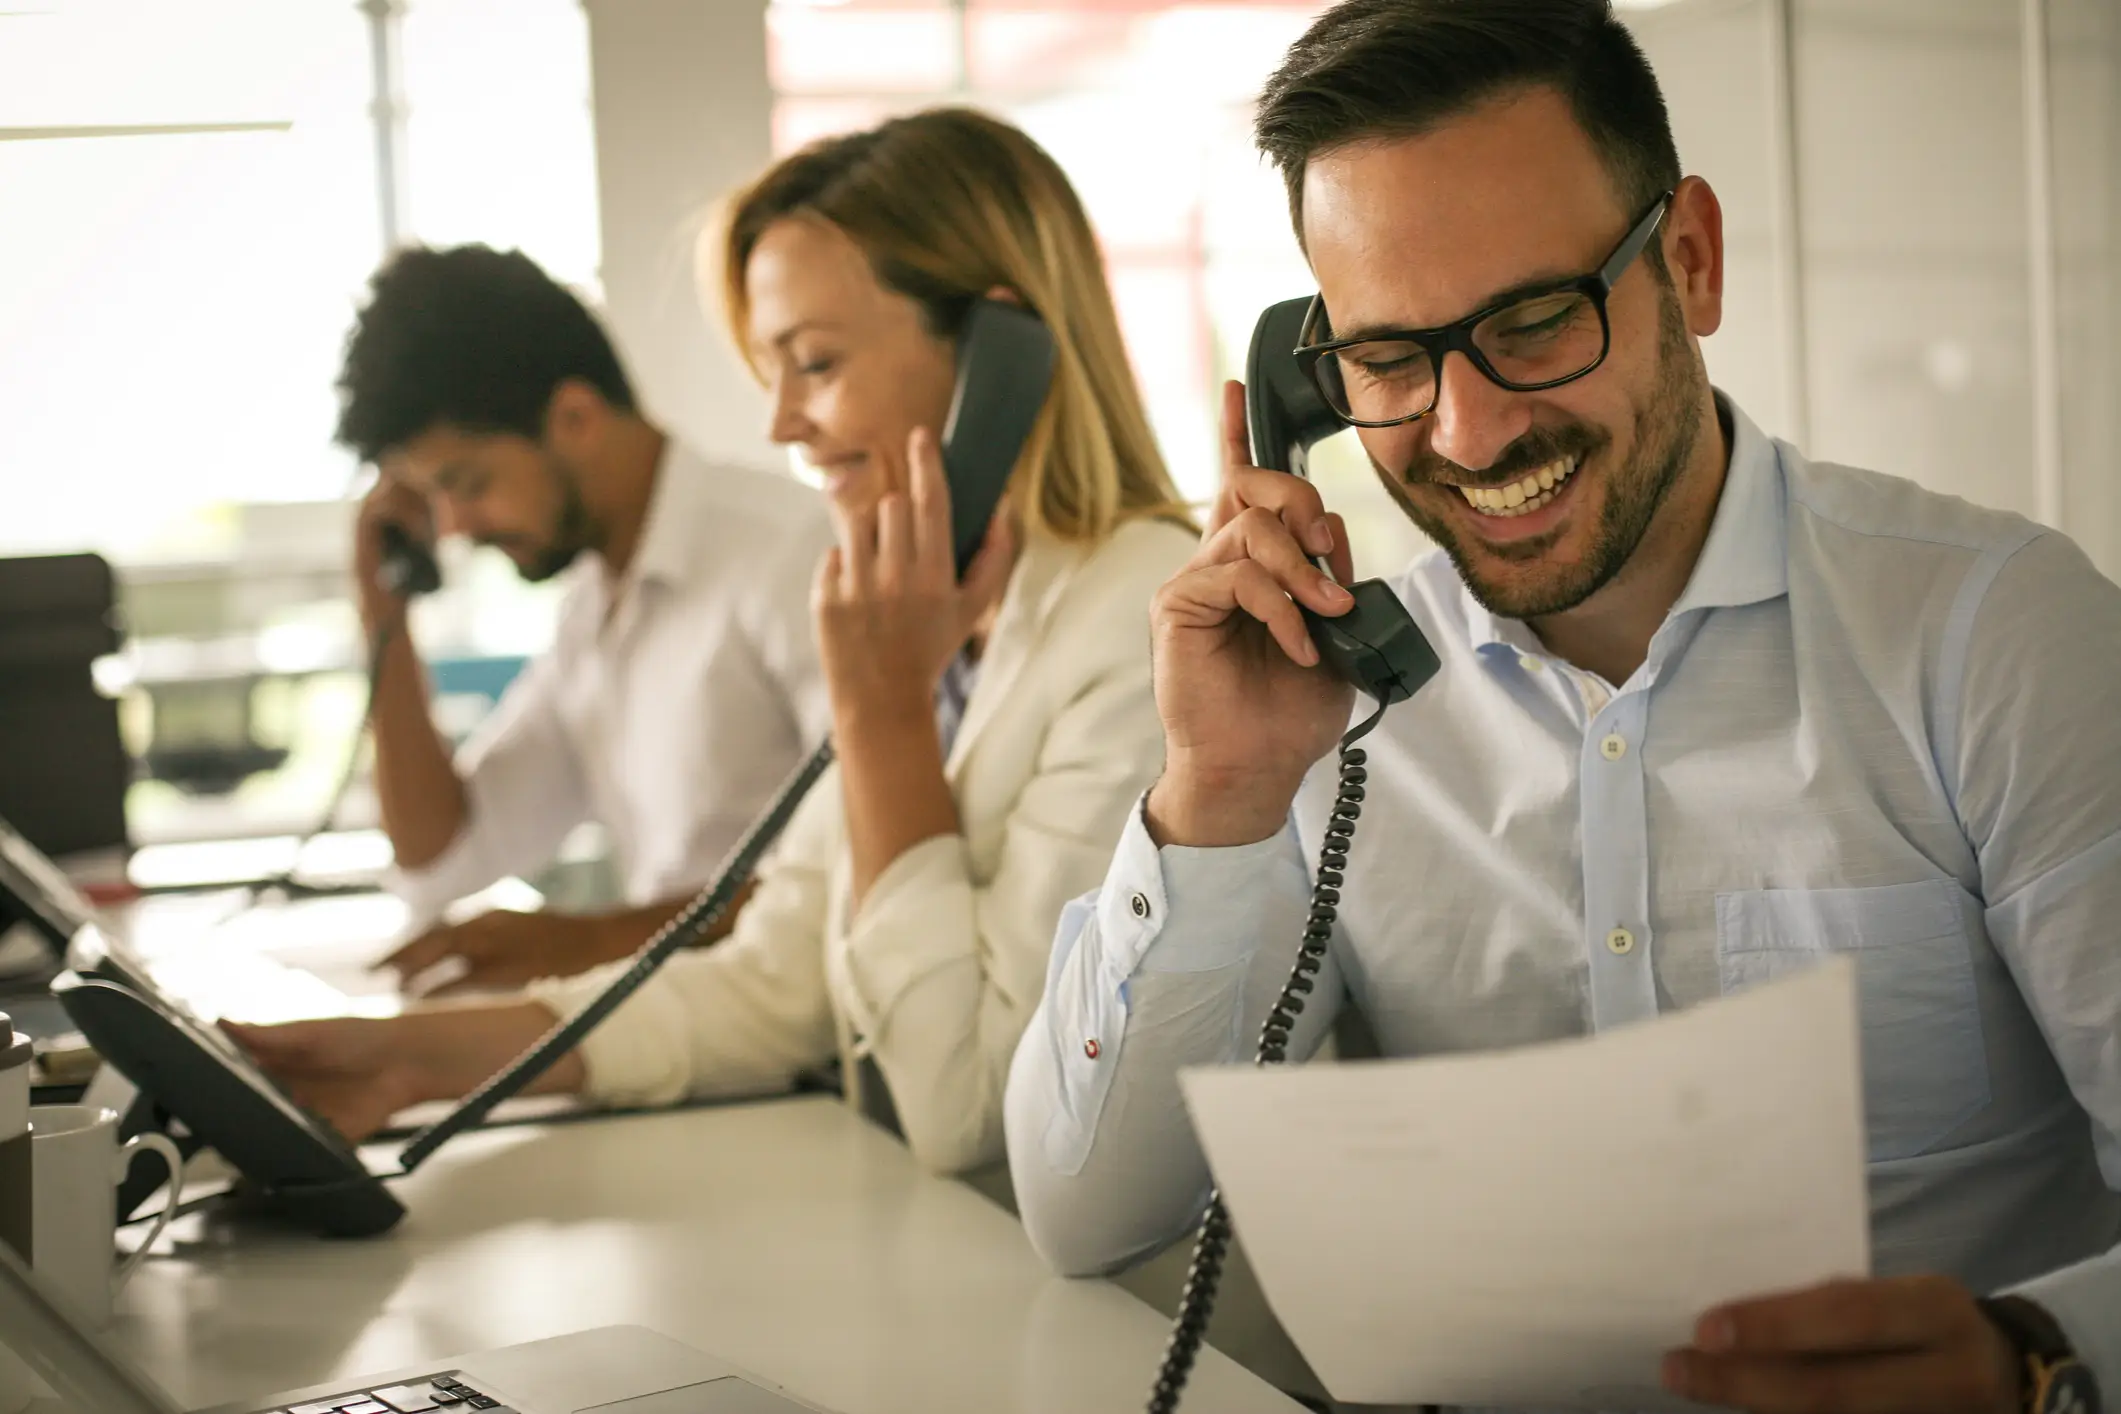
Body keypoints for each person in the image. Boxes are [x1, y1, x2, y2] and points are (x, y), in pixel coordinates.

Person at [1004, 2, 2121, 1410]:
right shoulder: (1326, 701)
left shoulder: (1997, 636)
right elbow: (1082, 1208)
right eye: (1391, 360)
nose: (1470, 432)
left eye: (1535, 318)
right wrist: (1215, 792)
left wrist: (2031, 1353)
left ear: (1690, 263)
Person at [234, 108, 1198, 1180]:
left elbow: (966, 1104)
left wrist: (880, 717)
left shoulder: (1140, 619)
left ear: (998, 355)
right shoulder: (935, 612)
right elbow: (772, 982)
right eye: (770, 374)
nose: (782, 422)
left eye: (815, 363)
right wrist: (402, 1056)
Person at [338, 244, 835, 993]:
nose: (455, 528)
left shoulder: (790, 556)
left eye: (467, 483)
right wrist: (382, 608)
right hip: (687, 1046)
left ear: (574, 416)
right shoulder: (593, 611)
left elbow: (866, 873)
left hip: (810, 1065)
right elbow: (441, 860)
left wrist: (592, 942)